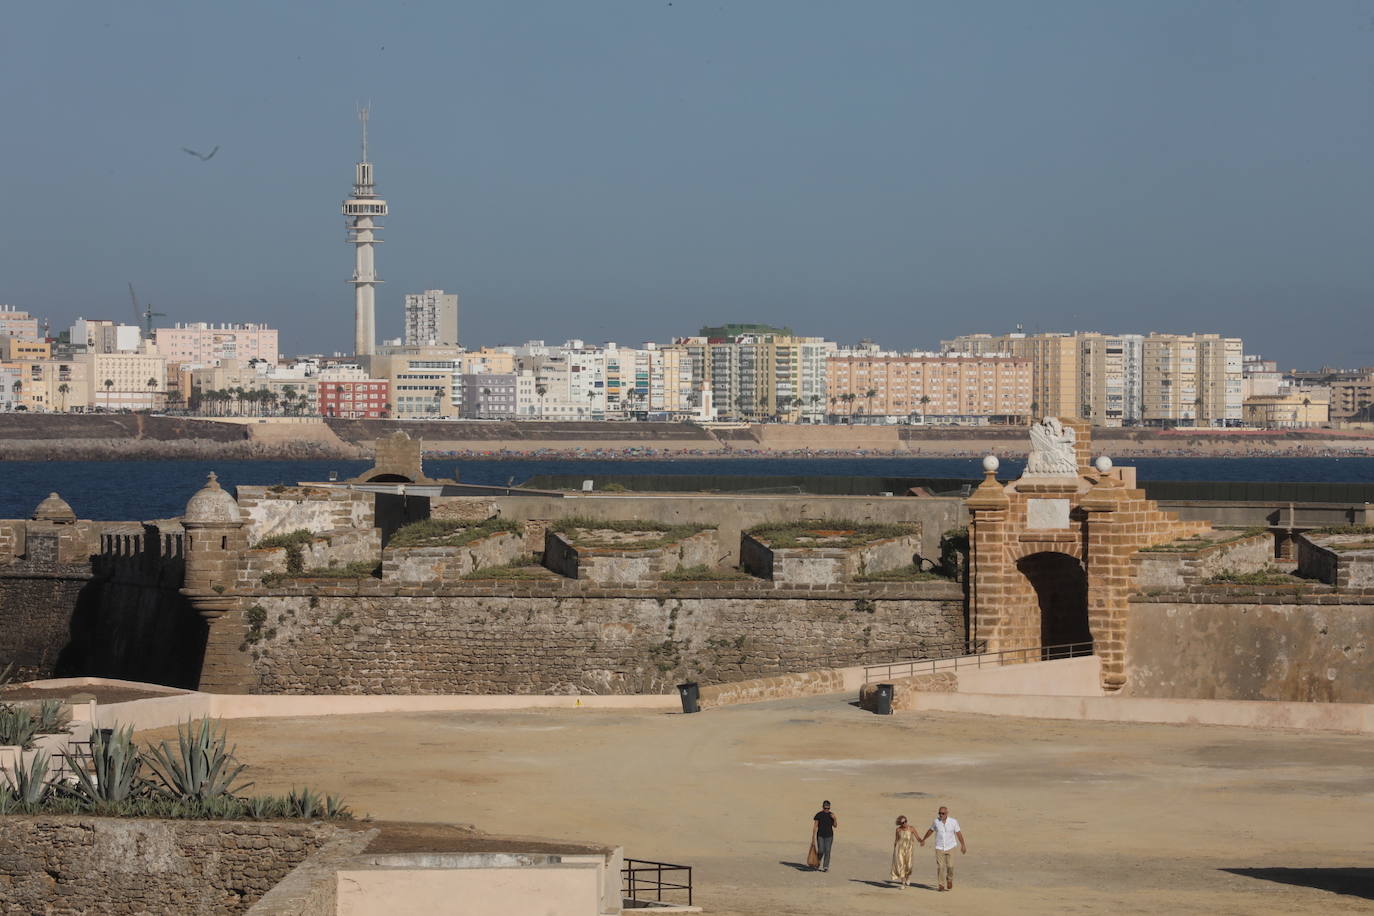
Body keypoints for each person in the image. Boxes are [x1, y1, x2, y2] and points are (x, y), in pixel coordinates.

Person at [919, 806, 966, 891]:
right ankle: (941, 884)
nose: (941, 815)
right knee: (940, 866)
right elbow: (930, 830)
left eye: (943, 813)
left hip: (950, 846)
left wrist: (963, 844)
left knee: (950, 866)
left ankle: (949, 879)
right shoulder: (936, 822)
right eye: (939, 813)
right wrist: (924, 839)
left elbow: (958, 833)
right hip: (939, 847)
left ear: (947, 813)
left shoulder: (953, 822)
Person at [889, 815, 921, 886]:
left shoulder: (911, 828)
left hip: (909, 849)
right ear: (900, 824)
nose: (905, 823)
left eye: (905, 821)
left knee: (909, 865)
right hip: (900, 849)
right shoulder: (898, 830)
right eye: (903, 822)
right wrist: (895, 849)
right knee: (901, 864)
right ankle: (903, 881)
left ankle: (907, 877)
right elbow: (896, 840)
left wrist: (921, 841)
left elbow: (917, 837)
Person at [811, 800, 837, 872]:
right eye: (825, 808)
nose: (827, 810)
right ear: (823, 807)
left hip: (829, 836)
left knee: (828, 851)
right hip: (820, 835)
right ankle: (817, 863)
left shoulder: (831, 815)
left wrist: (834, 818)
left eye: (828, 808)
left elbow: (835, 826)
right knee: (821, 850)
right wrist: (813, 836)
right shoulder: (819, 815)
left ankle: (826, 866)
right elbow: (815, 826)